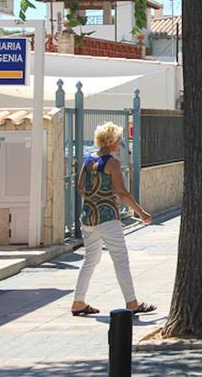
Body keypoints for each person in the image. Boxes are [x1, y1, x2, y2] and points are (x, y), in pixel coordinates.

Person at [71, 122, 155, 317]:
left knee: (90, 260)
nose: (121, 143)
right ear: (111, 140)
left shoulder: (88, 159)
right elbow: (122, 192)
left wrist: (94, 199)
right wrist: (141, 213)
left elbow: (80, 188)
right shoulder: (112, 163)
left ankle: (78, 301)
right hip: (108, 218)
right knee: (120, 259)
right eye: (119, 139)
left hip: (88, 218)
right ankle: (132, 303)